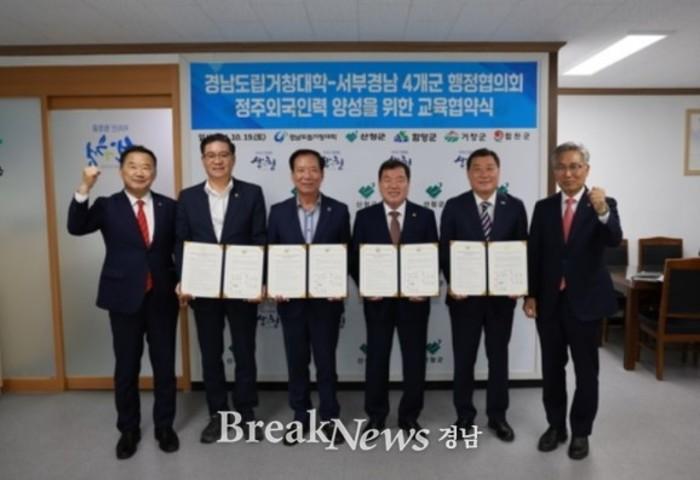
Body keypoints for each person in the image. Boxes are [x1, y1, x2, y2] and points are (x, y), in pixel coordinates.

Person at [67, 145, 179, 459]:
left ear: (154, 172)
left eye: (146, 166)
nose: (140, 171)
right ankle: (128, 429)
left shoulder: (170, 206)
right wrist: (85, 187)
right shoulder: (107, 205)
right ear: (121, 171)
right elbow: (76, 227)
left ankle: (164, 427)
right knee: (127, 366)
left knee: (164, 365)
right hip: (123, 297)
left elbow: (181, 247)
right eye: (133, 165)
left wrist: (186, 280)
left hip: (162, 296)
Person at [524, 142, 622, 460]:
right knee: (552, 370)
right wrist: (530, 294)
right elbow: (534, 254)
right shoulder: (543, 208)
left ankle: (581, 431)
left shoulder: (603, 204)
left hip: (587, 303)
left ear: (586, 170)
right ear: (554, 172)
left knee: (586, 372)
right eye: (562, 167)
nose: (568, 173)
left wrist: (603, 210)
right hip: (550, 302)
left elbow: (614, 238)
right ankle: (556, 426)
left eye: (575, 166)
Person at [175, 133, 266, 443]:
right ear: (203, 160)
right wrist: (184, 280)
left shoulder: (251, 193)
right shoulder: (188, 197)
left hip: (242, 289)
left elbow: (259, 238)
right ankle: (218, 414)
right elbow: (181, 242)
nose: (217, 160)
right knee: (210, 353)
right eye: (211, 155)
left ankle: (246, 411)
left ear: (233, 158)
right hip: (204, 291)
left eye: (223, 154)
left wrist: (258, 280)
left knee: (244, 351)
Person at [439, 148, 528, 442]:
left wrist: (519, 284)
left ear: (498, 172)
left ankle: (497, 416)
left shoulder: (515, 206)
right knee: (464, 359)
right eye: (477, 168)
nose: (484, 174)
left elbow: (522, 249)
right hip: (464, 299)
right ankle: (464, 416)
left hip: (501, 300)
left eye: (490, 168)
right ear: (468, 174)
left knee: (498, 358)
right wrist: (453, 282)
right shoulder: (454, 206)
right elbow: (445, 251)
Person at [267, 148, 351, 445]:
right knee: (297, 362)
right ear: (292, 175)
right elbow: (271, 254)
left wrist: (338, 284)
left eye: (313, 169)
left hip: (326, 304)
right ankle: (300, 416)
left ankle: (330, 417)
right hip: (290, 303)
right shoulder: (278, 212)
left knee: (326, 363)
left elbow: (345, 254)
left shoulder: (338, 210)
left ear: (322, 174)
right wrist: (273, 283)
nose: (307, 176)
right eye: (301, 170)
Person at [350, 159, 438, 435]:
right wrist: (367, 287)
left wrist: (425, 287)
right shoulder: (365, 217)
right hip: (378, 303)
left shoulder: (425, 216)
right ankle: (376, 416)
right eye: (387, 180)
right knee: (377, 359)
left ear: (408, 183)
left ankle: (409, 416)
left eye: (400, 179)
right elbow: (354, 259)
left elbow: (433, 257)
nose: (393, 185)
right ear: (379, 184)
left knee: (414, 361)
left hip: (414, 304)